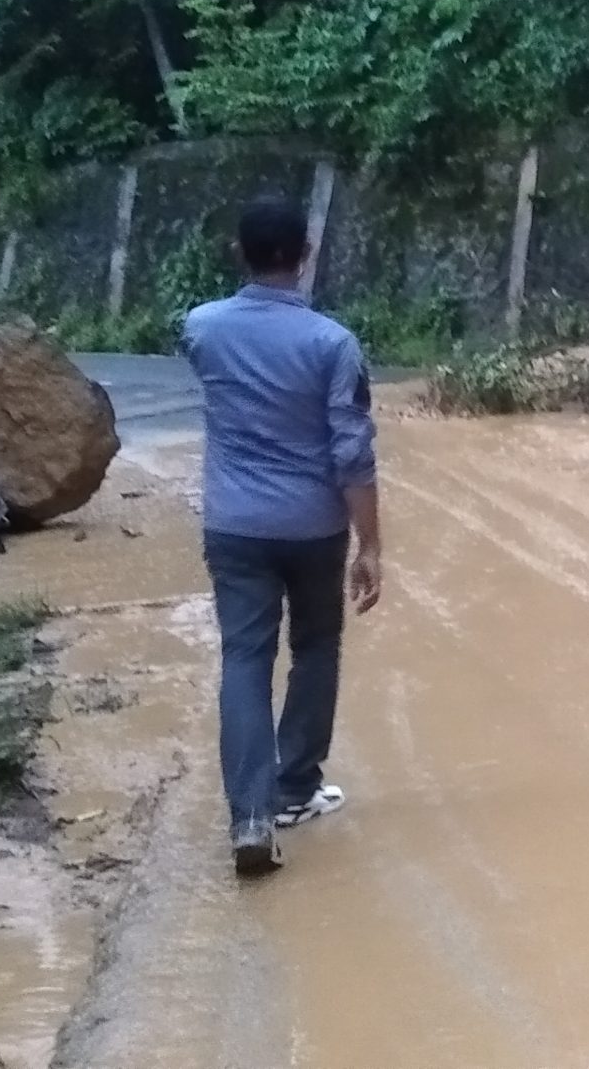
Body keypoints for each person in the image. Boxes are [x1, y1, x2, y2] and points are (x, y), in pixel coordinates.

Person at [179, 198, 385, 877]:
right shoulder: (333, 343)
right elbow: (352, 452)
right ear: (306, 254)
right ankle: (296, 785)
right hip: (314, 528)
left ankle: (251, 816)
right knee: (316, 646)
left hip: (233, 525)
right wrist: (371, 544)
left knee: (244, 658)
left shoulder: (202, 328)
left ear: (240, 251)